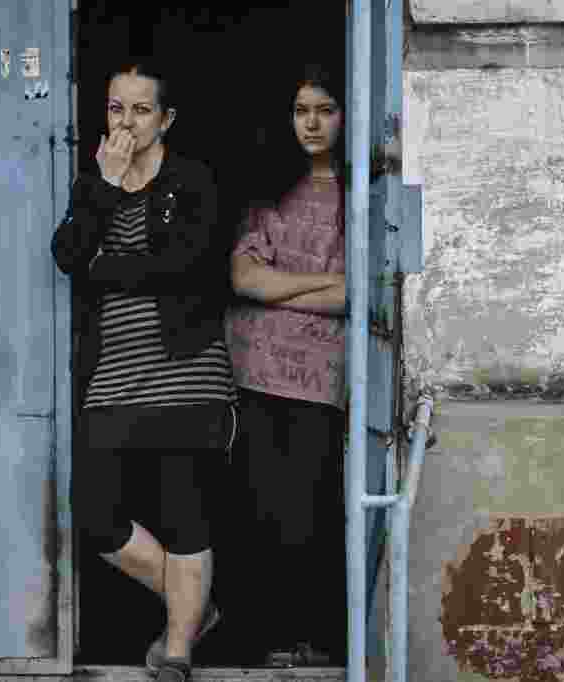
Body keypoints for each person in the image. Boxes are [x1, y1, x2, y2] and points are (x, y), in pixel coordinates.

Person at [50, 57, 236, 682]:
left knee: (185, 514)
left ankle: (177, 652)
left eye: (141, 109)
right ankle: (197, 607)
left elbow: (186, 265)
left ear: (167, 117)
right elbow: (68, 254)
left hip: (186, 370)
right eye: (115, 108)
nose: (126, 121)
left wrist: (105, 265)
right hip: (113, 376)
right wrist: (103, 189)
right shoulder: (93, 182)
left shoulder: (193, 181)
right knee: (96, 514)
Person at [224, 61, 348, 667]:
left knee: (309, 516)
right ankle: (265, 639)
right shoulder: (268, 187)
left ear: (345, 116)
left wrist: (282, 284)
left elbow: (357, 295)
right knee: (259, 513)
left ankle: (310, 639)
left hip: (319, 380)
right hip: (254, 373)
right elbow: (243, 278)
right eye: (302, 111)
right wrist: (323, 281)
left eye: (325, 109)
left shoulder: (360, 195)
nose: (313, 122)